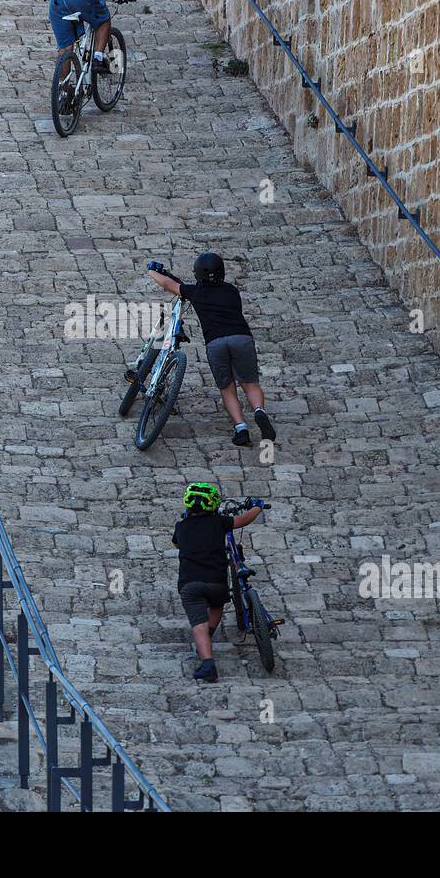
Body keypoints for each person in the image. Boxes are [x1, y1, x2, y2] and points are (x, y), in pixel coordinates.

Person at [147, 253, 276, 446]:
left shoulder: (197, 292)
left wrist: (151, 271)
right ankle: (259, 411)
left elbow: (167, 284)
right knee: (250, 383)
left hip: (216, 343)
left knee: (227, 388)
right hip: (241, 338)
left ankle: (241, 429)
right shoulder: (232, 291)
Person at [173, 483, 266, 682]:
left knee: (198, 623)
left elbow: (176, 543)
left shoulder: (181, 527)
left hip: (191, 585)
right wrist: (257, 507)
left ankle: (208, 664)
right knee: (217, 604)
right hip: (217, 582)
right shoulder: (219, 522)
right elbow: (243, 519)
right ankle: (208, 636)